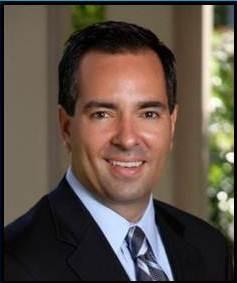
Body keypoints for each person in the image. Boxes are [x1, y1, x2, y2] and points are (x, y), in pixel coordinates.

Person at [4, 21, 233, 281]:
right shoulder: (15, 263)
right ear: (66, 128)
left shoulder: (209, 248)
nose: (127, 139)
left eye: (148, 113)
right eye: (102, 114)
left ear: (171, 124)